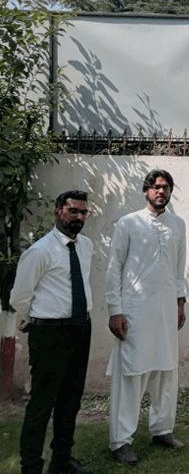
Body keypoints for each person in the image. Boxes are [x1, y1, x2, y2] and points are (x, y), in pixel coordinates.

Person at [104, 169, 187, 465]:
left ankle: (162, 429)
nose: (161, 192)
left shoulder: (177, 224)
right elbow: (114, 268)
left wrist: (180, 304)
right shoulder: (129, 223)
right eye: (156, 187)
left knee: (166, 371)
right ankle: (120, 440)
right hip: (135, 311)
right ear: (146, 190)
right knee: (133, 374)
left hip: (166, 310)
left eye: (166, 187)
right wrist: (115, 310)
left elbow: (179, 267)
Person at [10, 191, 93, 474]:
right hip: (50, 334)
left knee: (71, 400)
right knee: (42, 403)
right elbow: (20, 295)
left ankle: (62, 460)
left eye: (84, 212)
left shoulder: (86, 246)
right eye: (73, 211)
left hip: (81, 329)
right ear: (58, 211)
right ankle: (31, 465)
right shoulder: (40, 251)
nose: (79, 217)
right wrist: (28, 318)